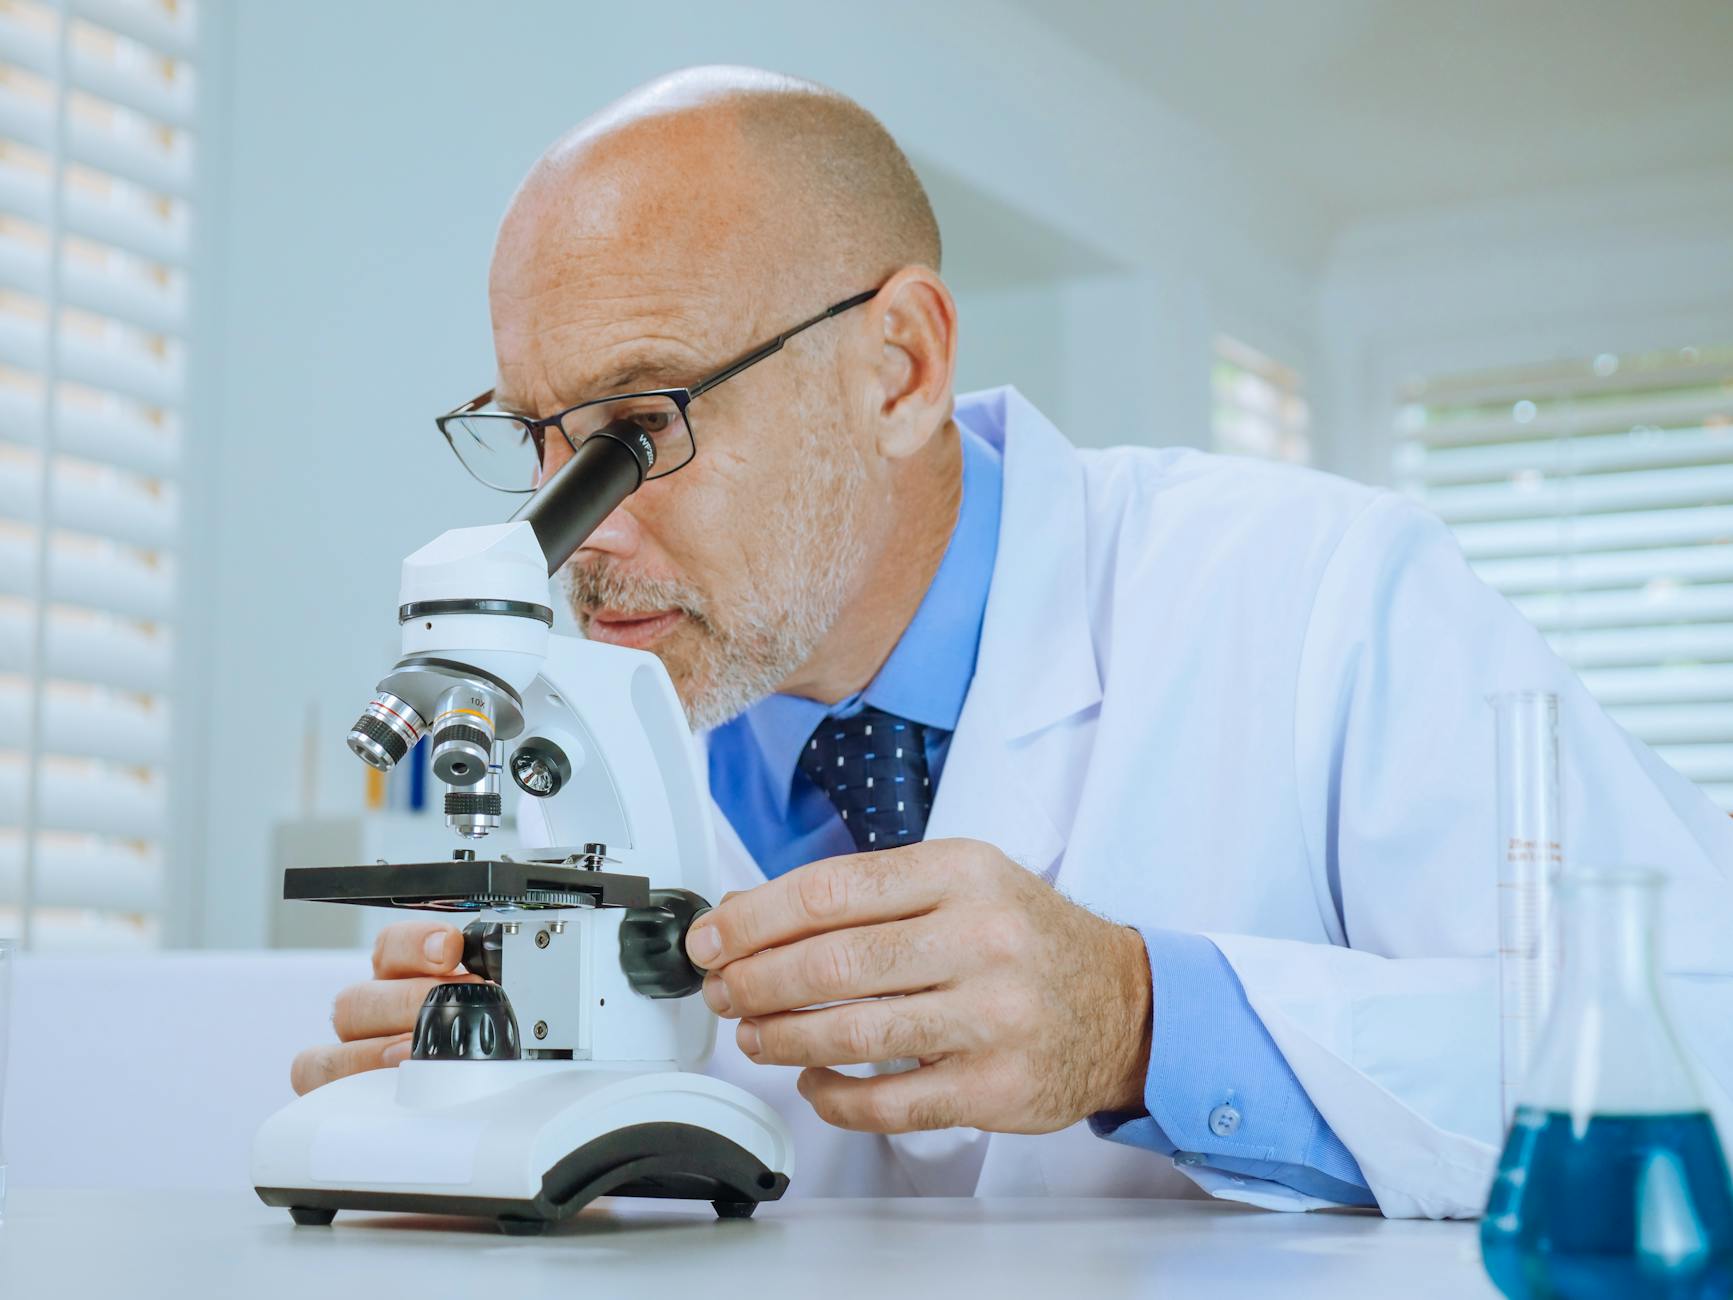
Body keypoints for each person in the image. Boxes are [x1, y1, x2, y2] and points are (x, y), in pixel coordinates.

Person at [290, 66, 1733, 1218]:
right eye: (532, 438)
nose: (575, 536)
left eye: (634, 432)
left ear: (898, 368)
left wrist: (1143, 1022)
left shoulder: (1320, 595)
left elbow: (1700, 1052)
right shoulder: (570, 716)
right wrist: (489, 1128)